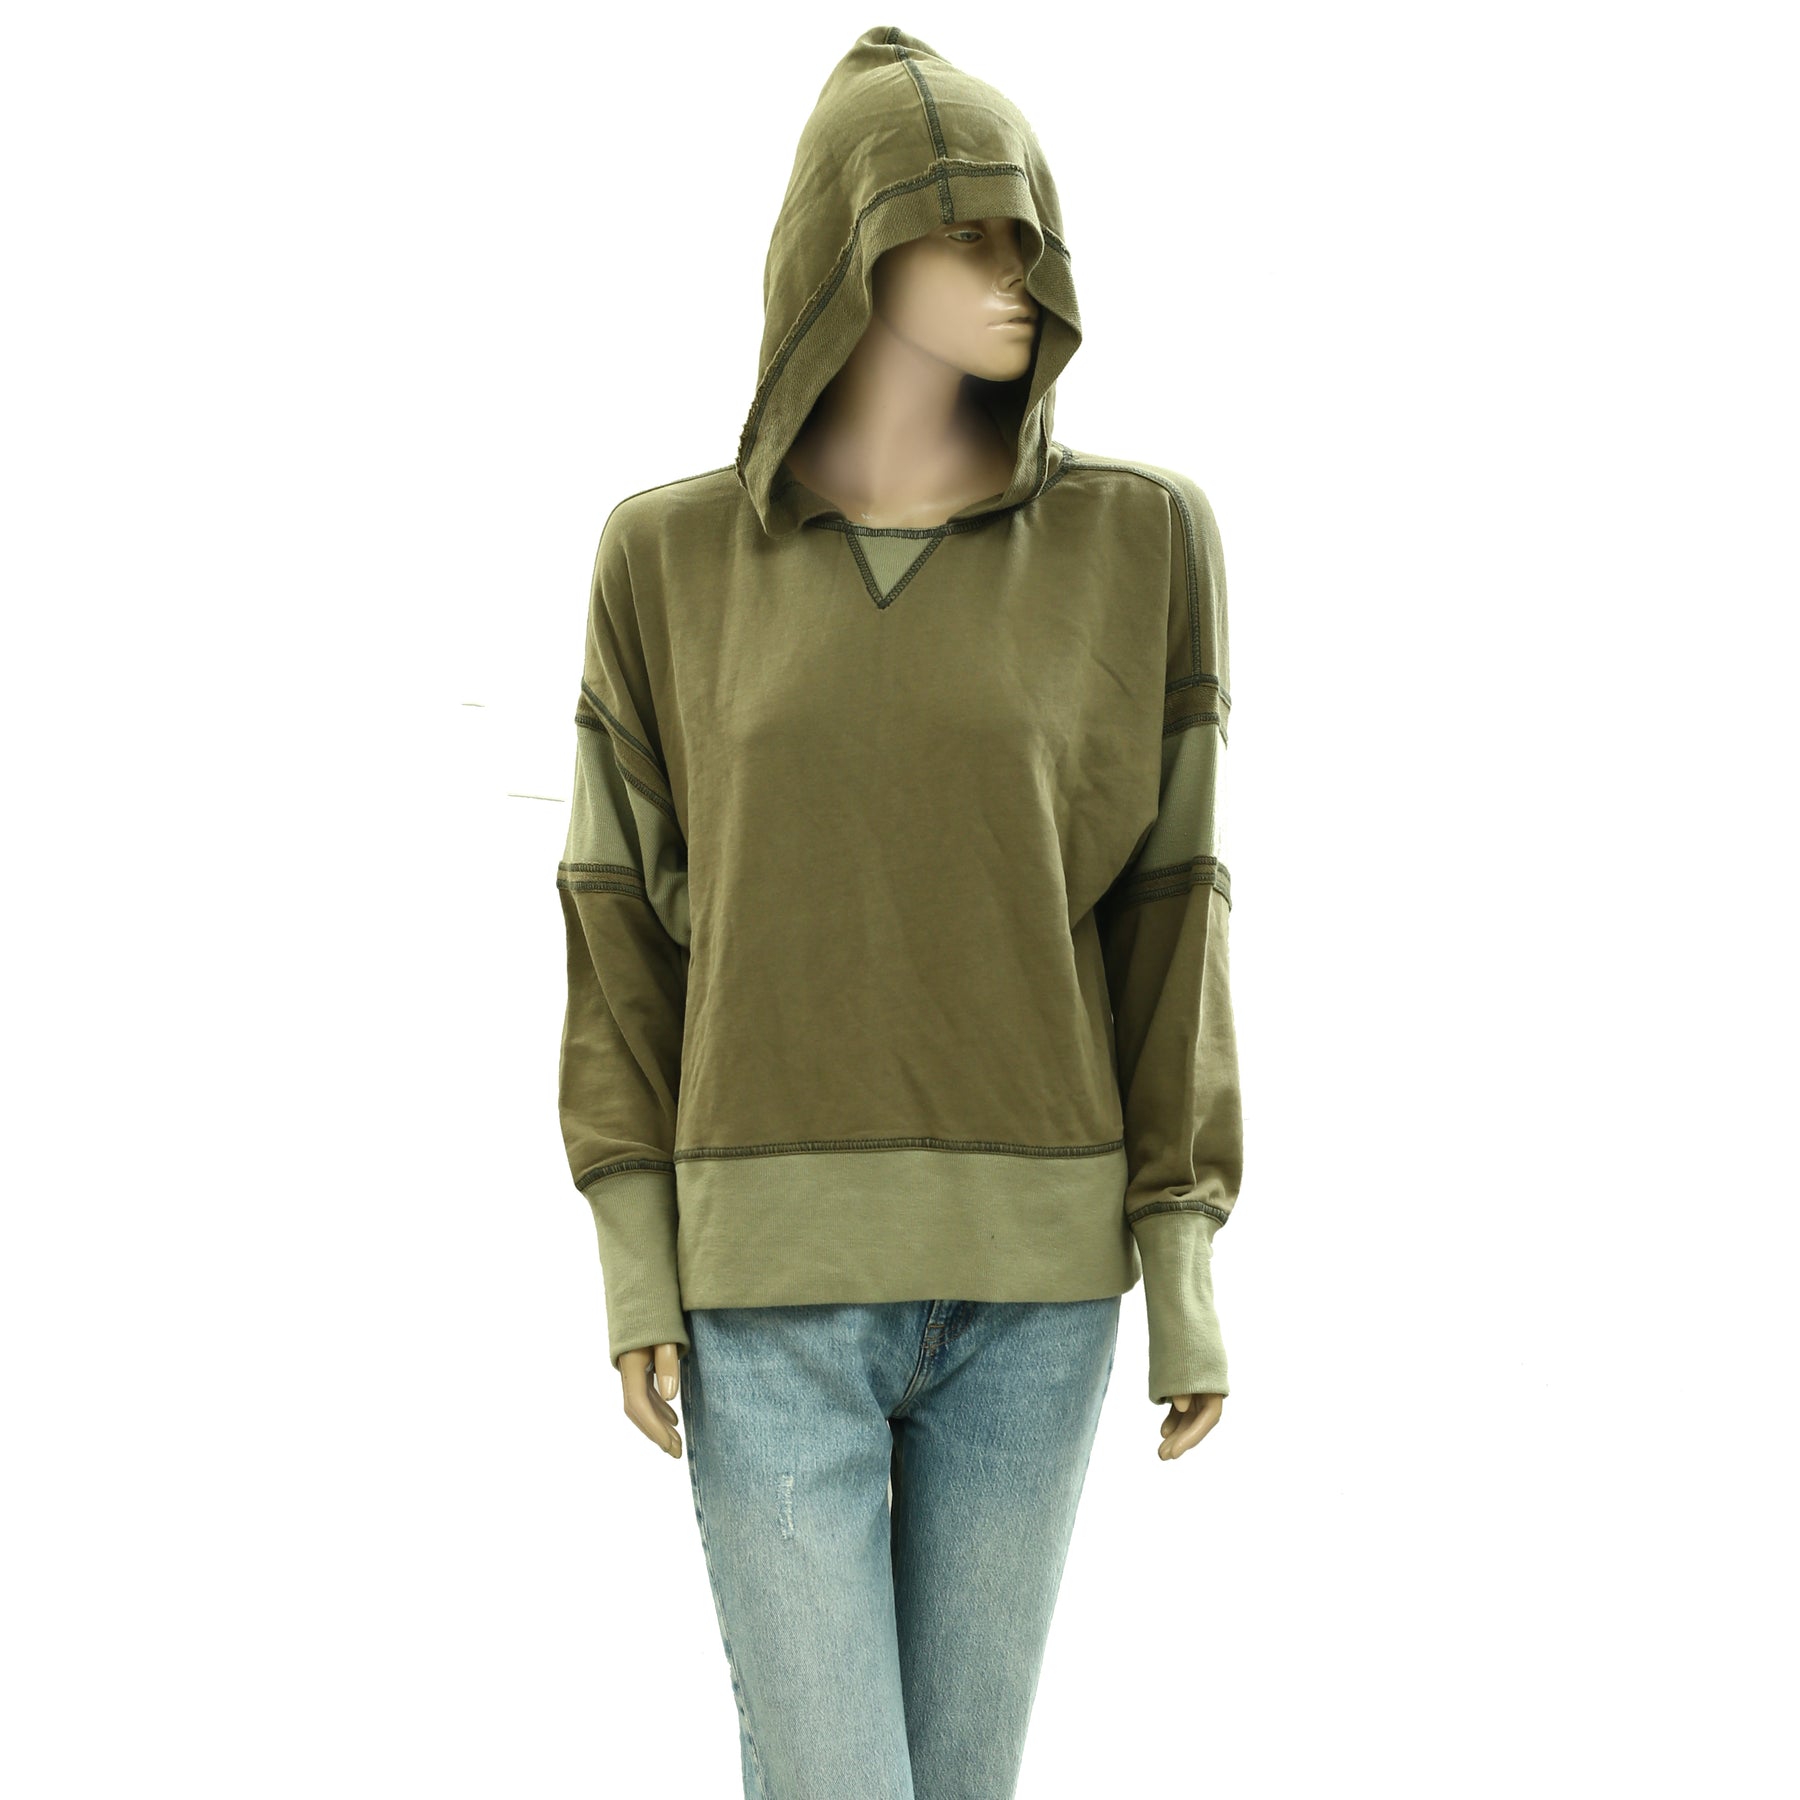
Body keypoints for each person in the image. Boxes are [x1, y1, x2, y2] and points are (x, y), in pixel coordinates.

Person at [554, 23, 1243, 1798]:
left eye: (1028, 230)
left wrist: (1180, 1261)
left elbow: (1173, 920)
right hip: (766, 1295)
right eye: (963, 232)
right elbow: (617, 930)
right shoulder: (664, 561)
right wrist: (634, 1252)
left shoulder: (1142, 542)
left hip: (1038, 1297)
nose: (1016, 272)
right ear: (842, 252)